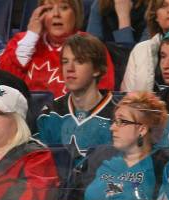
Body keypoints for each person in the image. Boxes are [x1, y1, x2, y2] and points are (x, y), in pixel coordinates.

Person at [65, 91, 168, 200]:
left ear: (142, 130)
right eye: (114, 121)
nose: (112, 128)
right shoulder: (99, 156)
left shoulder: (162, 165)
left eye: (121, 121)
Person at [0, 0, 115, 98]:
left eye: (64, 8)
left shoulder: (90, 45)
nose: (56, 14)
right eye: (49, 8)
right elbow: (2, 86)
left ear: (76, 13)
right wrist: (31, 37)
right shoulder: (22, 41)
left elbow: (102, 93)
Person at [36, 33, 114, 163]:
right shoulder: (50, 114)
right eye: (65, 62)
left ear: (96, 69)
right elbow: (39, 166)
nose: (70, 68)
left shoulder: (117, 117)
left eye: (79, 61)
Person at [86, 0, 150, 45]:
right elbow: (91, 50)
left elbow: (133, 60)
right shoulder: (100, 4)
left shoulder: (152, 9)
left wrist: (123, 17)